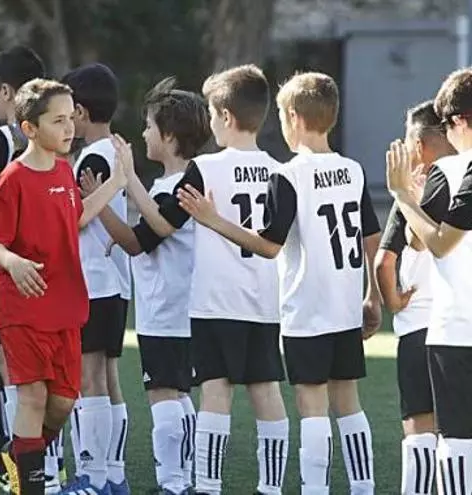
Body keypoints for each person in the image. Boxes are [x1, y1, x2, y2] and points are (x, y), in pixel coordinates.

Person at [179, 71, 382, 495]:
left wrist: (213, 220)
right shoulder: (354, 170)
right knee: (349, 403)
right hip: (346, 306)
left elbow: (269, 247)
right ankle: (363, 488)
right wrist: (372, 294)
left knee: (312, 406)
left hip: (307, 310)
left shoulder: (289, 175)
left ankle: (314, 489)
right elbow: (370, 237)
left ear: (292, 116)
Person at [140, 65, 288, 494]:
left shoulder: (203, 168)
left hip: (213, 302)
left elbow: (162, 226)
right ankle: (271, 487)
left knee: (216, 395)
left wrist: (128, 181)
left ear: (224, 116)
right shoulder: (279, 170)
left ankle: (206, 486)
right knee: (266, 393)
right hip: (262, 299)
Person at [0, 78, 128, 495]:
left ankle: (23, 452)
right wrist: (13, 261)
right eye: (58, 120)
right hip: (23, 308)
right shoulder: (12, 179)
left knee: (62, 402)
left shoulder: (65, 170)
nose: (69, 127)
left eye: (70, 118)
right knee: (31, 397)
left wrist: (117, 183)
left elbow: (77, 219)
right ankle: (31, 483)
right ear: (29, 129)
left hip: (66, 307)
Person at [84, 79, 210, 495]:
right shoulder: (174, 184)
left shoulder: (182, 185)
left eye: (150, 127)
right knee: (177, 391)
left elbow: (140, 241)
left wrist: (112, 191)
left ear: (169, 136)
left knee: (163, 394)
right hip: (181, 308)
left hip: (166, 310)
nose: (143, 135)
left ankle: (174, 483)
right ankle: (181, 479)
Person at [386, 67, 472, 494]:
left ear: (457, 122)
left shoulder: (453, 171)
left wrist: (404, 196)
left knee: (455, 441)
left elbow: (427, 244)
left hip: (457, 327)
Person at [0, 44, 50, 492]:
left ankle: (16, 461)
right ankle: (33, 460)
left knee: (13, 369)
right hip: (39, 268)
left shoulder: (3, 140)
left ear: (5, 91)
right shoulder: (46, 139)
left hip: (3, 271)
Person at [373, 100, 454, 494]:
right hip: (459, 325)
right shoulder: (463, 179)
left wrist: (391, 301)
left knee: (419, 429)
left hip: (420, 324)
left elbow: (384, 261)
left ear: (419, 145)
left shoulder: (414, 191)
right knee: (455, 436)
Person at [61, 62, 131, 495]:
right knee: (107, 378)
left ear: (81, 112)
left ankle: (94, 476)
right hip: (115, 283)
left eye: (68, 111)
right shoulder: (114, 150)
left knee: (89, 380)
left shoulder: (92, 156)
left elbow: (76, 219)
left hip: (94, 283)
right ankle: (114, 474)